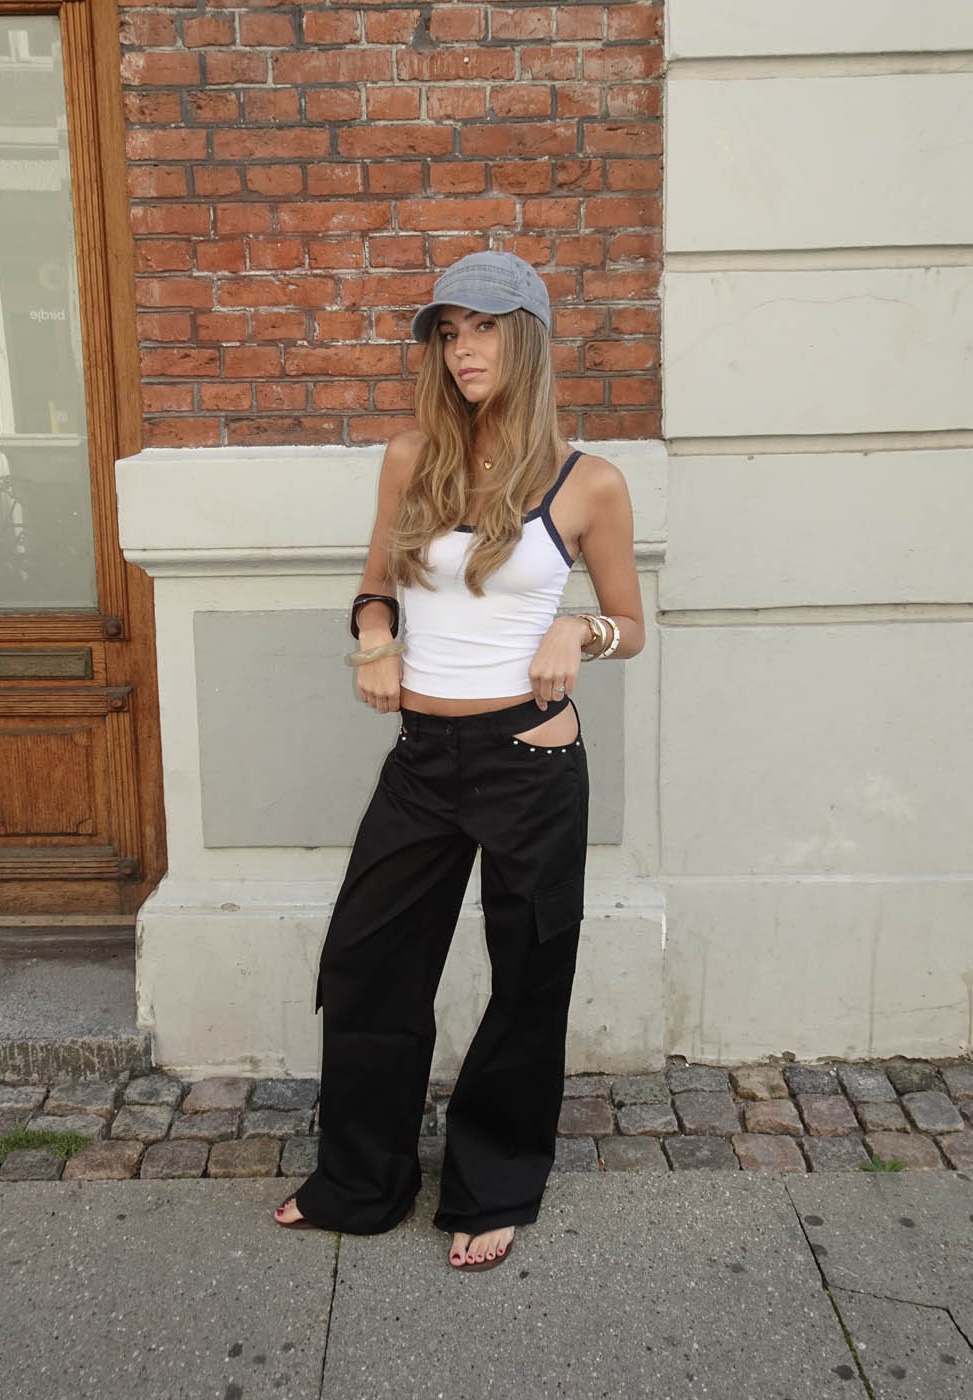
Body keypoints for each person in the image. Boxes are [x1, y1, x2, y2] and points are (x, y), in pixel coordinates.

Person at [273, 250, 644, 1272]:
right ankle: (363, 1180)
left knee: (528, 977)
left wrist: (578, 630)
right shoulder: (411, 457)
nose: (464, 350)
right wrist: (375, 640)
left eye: (484, 328)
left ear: (527, 337)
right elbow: (374, 590)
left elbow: (630, 623)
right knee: (368, 964)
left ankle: (495, 1183)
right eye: (449, 332)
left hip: (530, 759)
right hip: (424, 757)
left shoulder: (589, 481)